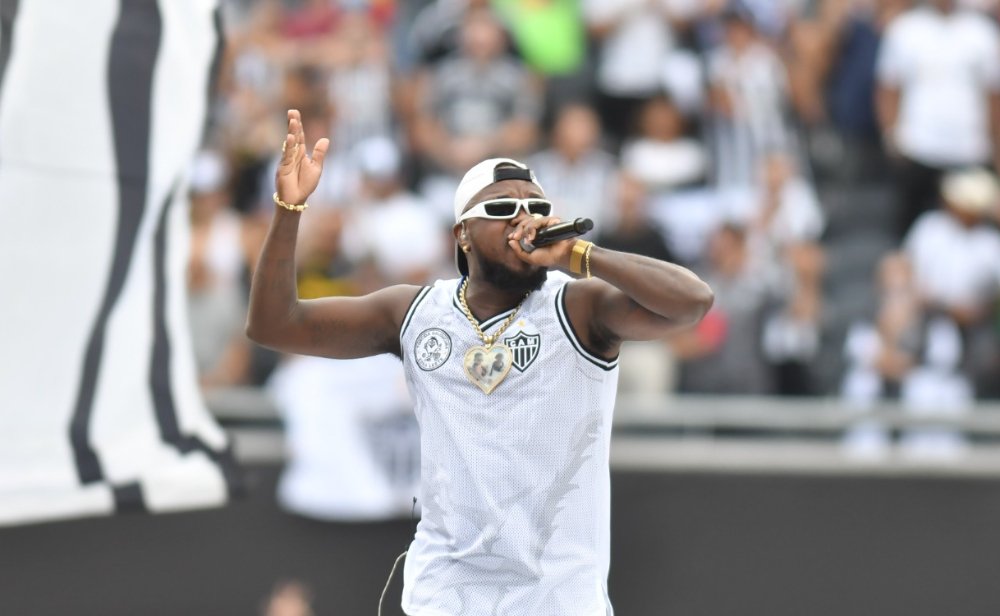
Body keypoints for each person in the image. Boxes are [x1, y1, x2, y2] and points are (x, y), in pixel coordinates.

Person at [247, 109, 713, 615]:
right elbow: (275, 326)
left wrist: (578, 255)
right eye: (503, 207)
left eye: (536, 205)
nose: (523, 217)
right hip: (446, 596)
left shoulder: (578, 307)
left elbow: (692, 303)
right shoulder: (414, 311)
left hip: (557, 600)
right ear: (463, 234)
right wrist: (288, 209)